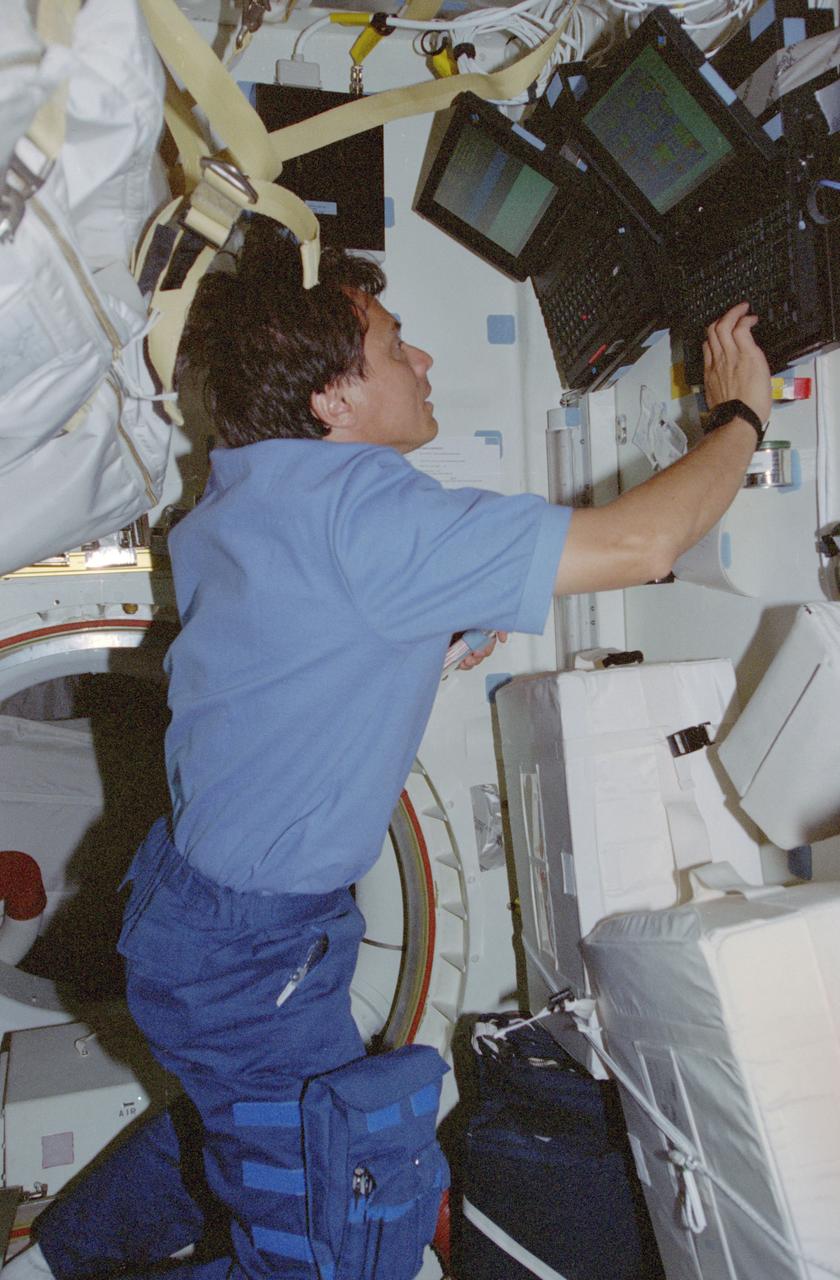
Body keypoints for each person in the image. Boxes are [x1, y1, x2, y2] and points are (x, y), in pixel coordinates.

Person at [4, 219, 771, 1280]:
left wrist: (433, 620)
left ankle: (48, 1261)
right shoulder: (365, 514)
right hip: (246, 952)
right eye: (398, 345)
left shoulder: (246, 485)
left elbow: (285, 631)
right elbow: (648, 542)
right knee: (345, 1252)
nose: (424, 361)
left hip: (196, 917)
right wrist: (740, 413)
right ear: (332, 400)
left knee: (247, 1124)